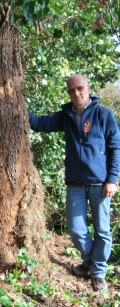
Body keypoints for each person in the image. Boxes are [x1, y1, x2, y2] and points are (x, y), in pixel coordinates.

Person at [27, 74, 120, 291]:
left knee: (103, 230)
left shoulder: (104, 115)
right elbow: (39, 124)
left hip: (100, 184)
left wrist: (112, 180)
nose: (76, 93)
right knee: (76, 229)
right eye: (71, 90)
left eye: (79, 88)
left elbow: (115, 149)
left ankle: (98, 273)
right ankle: (89, 261)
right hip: (75, 184)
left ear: (88, 88)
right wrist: (19, 105)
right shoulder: (66, 116)